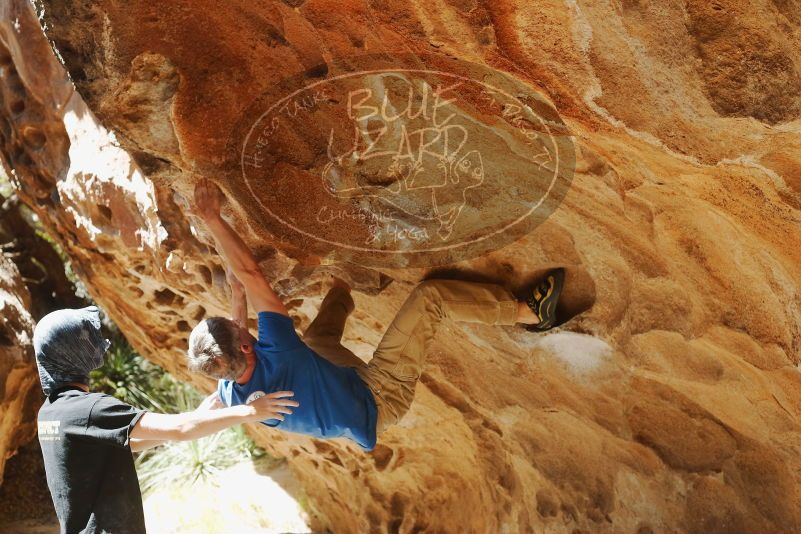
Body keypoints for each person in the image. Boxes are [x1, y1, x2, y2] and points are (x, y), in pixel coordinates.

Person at [189, 178, 565, 452]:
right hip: (380, 397)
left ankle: (343, 285)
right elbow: (251, 275)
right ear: (245, 346)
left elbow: (200, 416)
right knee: (430, 297)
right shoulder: (280, 351)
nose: (240, 322)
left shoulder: (232, 390)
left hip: (342, 394)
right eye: (238, 327)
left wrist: (237, 294)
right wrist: (212, 219)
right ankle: (527, 313)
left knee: (317, 342)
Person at [34, 305, 298, 534]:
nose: (96, 342)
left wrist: (195, 418)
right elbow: (181, 429)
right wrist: (252, 410)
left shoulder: (51, 413)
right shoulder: (88, 409)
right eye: (84, 339)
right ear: (68, 352)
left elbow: (122, 447)